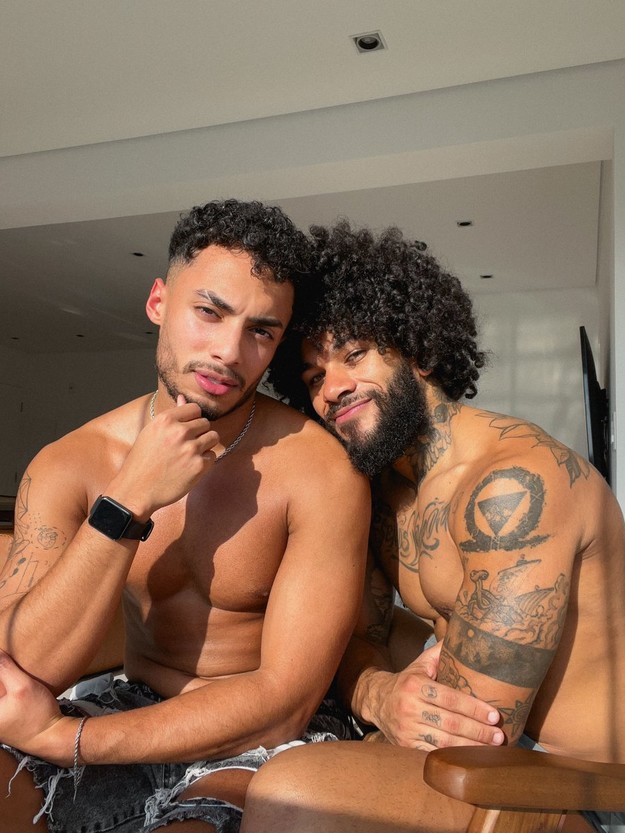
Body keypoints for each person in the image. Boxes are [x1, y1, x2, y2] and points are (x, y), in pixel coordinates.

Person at [0, 200, 375, 833]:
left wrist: (71, 740)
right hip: (127, 702)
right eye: (209, 312)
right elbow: (26, 668)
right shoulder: (71, 462)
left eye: (261, 331)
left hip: (262, 741)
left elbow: (284, 703)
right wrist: (128, 501)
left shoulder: (319, 471)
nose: (228, 352)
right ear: (158, 302)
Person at [241, 220, 625, 833]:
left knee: (288, 791)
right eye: (313, 377)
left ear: (418, 350)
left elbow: (470, 730)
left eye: (355, 355)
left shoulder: (515, 485)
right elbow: (351, 641)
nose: (332, 389)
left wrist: (371, 710)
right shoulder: (377, 493)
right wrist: (376, 692)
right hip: (485, 761)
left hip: (582, 788)